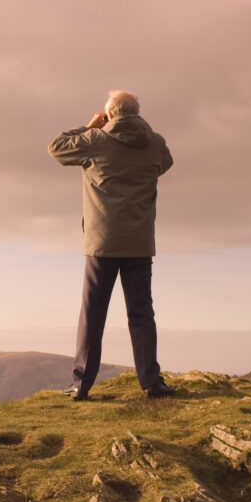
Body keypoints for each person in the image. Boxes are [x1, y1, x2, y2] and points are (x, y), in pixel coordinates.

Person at [48, 90, 175, 400]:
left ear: (111, 115)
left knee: (93, 313)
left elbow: (56, 149)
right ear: (136, 113)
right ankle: (152, 382)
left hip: (101, 243)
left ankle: (81, 385)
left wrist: (90, 127)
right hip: (139, 243)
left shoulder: (95, 141)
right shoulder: (155, 143)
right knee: (142, 312)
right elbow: (165, 163)